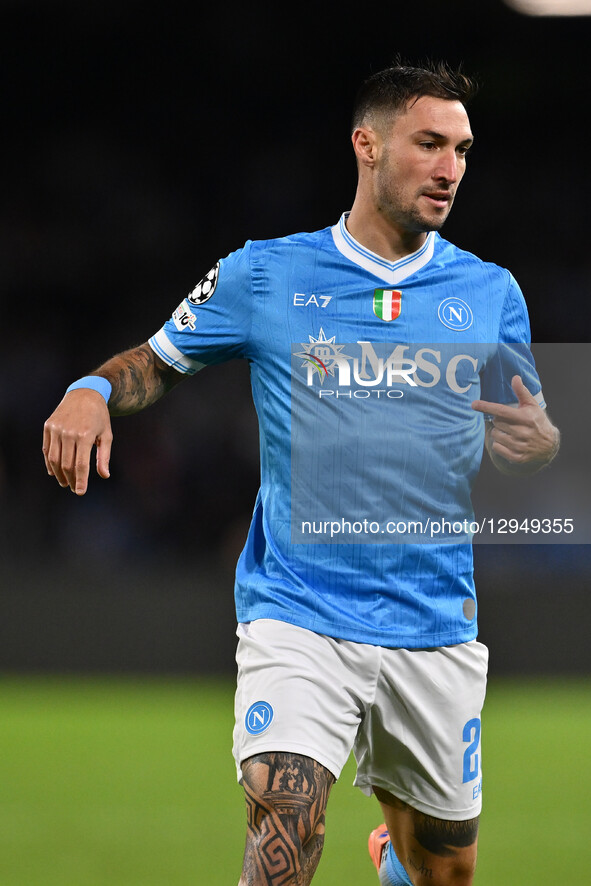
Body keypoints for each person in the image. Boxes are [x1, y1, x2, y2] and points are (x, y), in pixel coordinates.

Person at [43, 60, 560, 886]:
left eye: (460, 149)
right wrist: (91, 387)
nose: (449, 169)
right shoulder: (264, 275)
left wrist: (537, 445)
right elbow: (155, 359)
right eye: (428, 143)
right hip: (299, 613)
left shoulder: (489, 293)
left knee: (447, 872)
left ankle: (398, 859)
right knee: (283, 837)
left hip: (432, 618)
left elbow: (524, 434)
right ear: (366, 145)